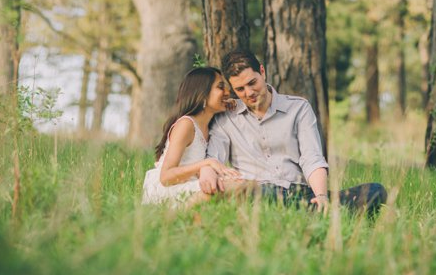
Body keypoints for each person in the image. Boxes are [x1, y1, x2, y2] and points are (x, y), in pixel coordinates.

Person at [199, 51, 387, 214]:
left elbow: (312, 158)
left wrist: (321, 196)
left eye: (252, 83)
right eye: (240, 89)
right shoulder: (226, 118)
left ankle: (313, 210)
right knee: (257, 195)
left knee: (375, 191)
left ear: (262, 72)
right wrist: (207, 171)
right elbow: (214, 159)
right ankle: (316, 214)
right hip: (259, 192)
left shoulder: (298, 108)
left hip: (301, 192)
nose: (249, 93)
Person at [142, 67, 246, 206]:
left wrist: (229, 103)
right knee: (238, 186)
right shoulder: (186, 125)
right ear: (202, 93)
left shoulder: (209, 124)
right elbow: (165, 177)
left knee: (244, 184)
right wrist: (206, 163)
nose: (227, 92)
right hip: (169, 189)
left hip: (190, 183)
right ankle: (176, 215)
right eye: (221, 87)